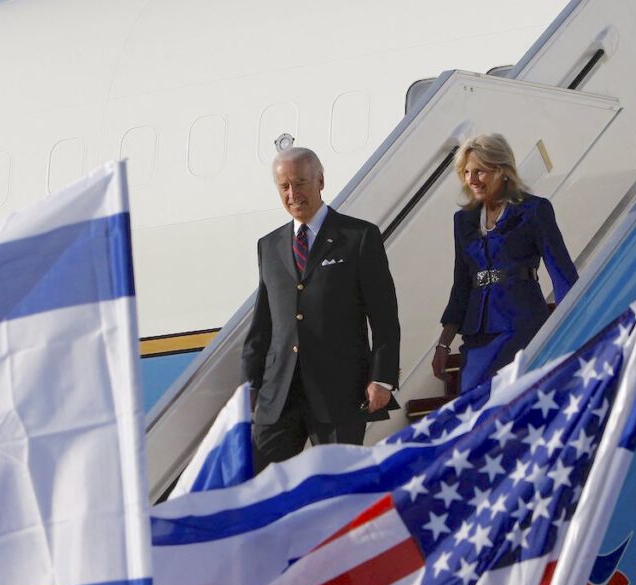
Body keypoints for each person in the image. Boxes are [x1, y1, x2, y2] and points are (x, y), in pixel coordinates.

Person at [242, 147, 400, 470]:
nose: (292, 194)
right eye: (284, 187)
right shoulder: (269, 246)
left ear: (320, 181)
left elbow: (384, 316)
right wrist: (250, 384)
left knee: (337, 484)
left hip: (339, 392)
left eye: (300, 183)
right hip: (279, 395)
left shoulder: (358, 237)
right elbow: (264, 324)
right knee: (258, 482)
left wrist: (382, 379)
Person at [433, 133, 578, 393]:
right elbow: (461, 285)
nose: (471, 180)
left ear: (502, 170)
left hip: (520, 325)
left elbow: (562, 275)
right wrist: (444, 344)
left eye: (479, 171)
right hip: (477, 334)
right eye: (466, 173)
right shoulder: (462, 220)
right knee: (472, 400)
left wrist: (572, 330)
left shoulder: (534, 210)